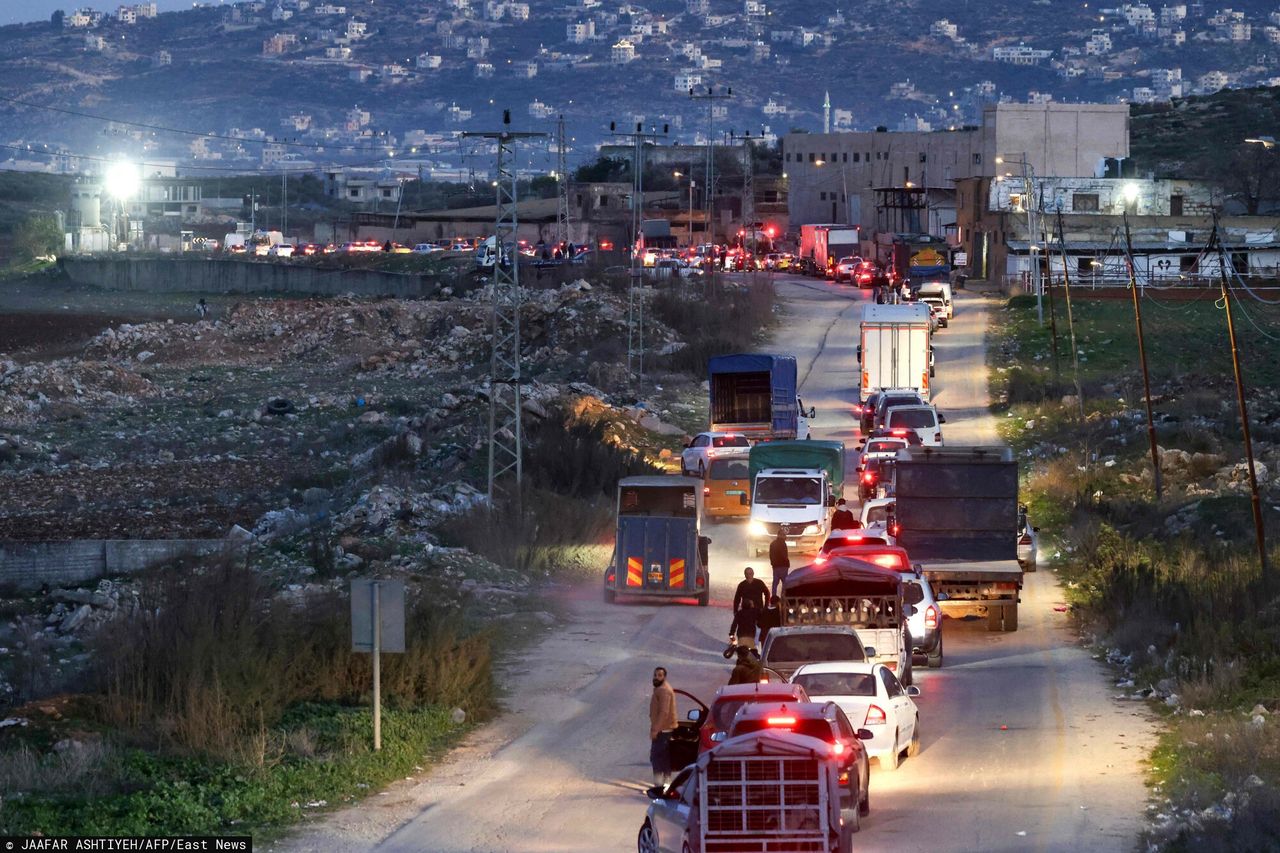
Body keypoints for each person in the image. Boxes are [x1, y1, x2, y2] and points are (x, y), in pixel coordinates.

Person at [649, 666, 677, 787]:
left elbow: (664, 712)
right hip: (664, 729)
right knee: (663, 756)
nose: (656, 677)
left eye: (659, 675)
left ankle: (659, 785)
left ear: (664, 677)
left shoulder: (664, 690)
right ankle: (666, 782)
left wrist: (655, 730)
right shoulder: (661, 689)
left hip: (662, 730)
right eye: (655, 675)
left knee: (656, 757)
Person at [769, 528, 791, 601]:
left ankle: (774, 597)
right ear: (780, 535)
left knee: (775, 583)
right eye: (784, 535)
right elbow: (784, 555)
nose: (785, 536)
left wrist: (773, 564)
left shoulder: (772, 543)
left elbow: (771, 555)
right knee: (785, 583)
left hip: (775, 567)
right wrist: (787, 563)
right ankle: (784, 598)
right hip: (783, 566)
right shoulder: (783, 544)